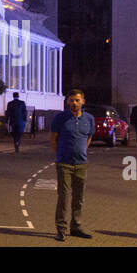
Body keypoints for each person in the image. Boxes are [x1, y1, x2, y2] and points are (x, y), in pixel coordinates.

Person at [50, 88, 95, 241]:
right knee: (63, 197)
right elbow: (53, 139)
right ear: (67, 101)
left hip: (81, 164)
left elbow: (88, 138)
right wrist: (60, 155)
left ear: (83, 101)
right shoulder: (60, 118)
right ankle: (61, 229)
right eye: (71, 100)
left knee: (79, 197)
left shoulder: (89, 119)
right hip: (64, 164)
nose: (74, 103)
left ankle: (76, 227)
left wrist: (81, 151)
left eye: (77, 100)